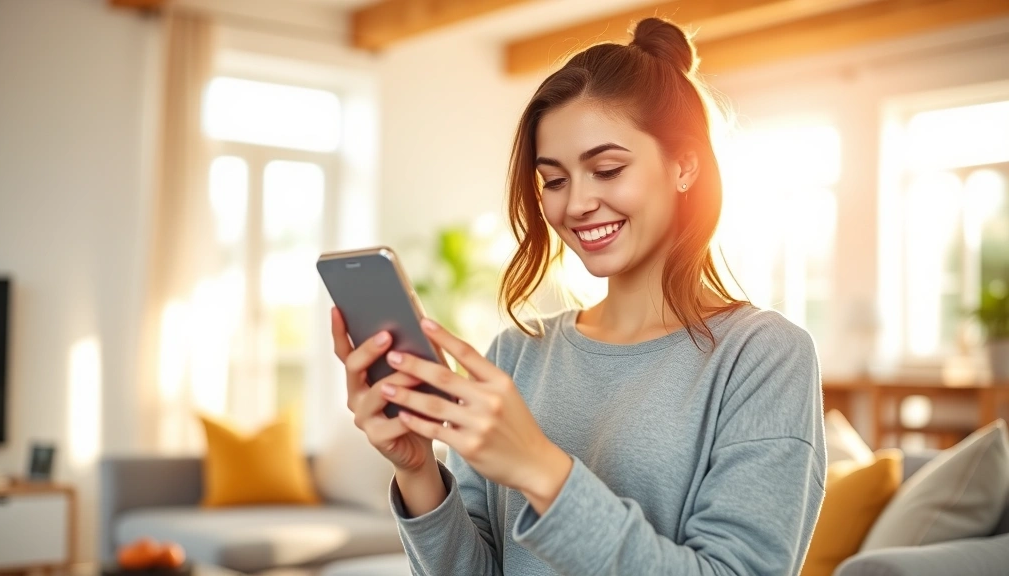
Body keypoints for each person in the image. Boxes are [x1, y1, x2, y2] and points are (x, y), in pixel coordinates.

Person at [331, 16, 826, 576]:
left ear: (684, 165)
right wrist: (418, 470)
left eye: (608, 169)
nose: (577, 204)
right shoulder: (518, 353)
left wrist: (541, 469)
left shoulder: (762, 356)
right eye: (556, 180)